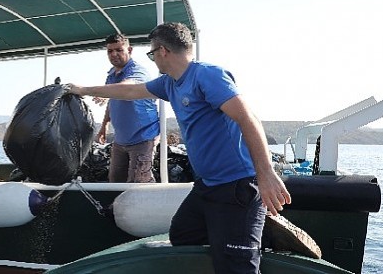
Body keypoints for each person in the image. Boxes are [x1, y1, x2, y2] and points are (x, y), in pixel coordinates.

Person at [68, 22, 291, 273]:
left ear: (162, 51)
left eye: (152, 53)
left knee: (237, 267)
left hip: (237, 185)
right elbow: (130, 90)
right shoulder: (169, 83)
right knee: (183, 235)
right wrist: (82, 90)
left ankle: (252, 234)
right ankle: (255, 234)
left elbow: (248, 118)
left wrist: (266, 173)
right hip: (206, 186)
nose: (152, 59)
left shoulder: (207, 75)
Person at [96, 34, 160, 183]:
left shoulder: (138, 71)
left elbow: (126, 88)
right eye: (110, 51)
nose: (114, 54)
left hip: (143, 138)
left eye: (118, 50)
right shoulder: (111, 76)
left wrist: (100, 91)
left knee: (138, 183)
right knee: (114, 182)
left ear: (129, 49)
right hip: (120, 140)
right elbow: (112, 101)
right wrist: (104, 125)